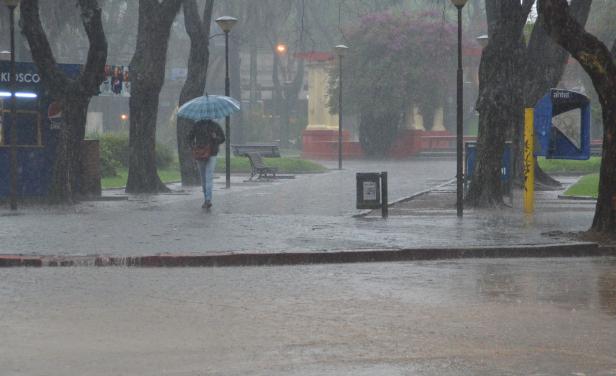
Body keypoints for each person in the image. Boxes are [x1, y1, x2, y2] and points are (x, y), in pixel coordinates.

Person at [188, 119, 225, 209]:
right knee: (205, 178)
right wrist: (194, 145)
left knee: (206, 177)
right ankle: (207, 199)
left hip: (210, 154)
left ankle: (207, 199)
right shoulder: (201, 125)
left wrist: (215, 137)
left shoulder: (207, 125)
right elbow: (190, 137)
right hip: (202, 153)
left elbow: (222, 139)